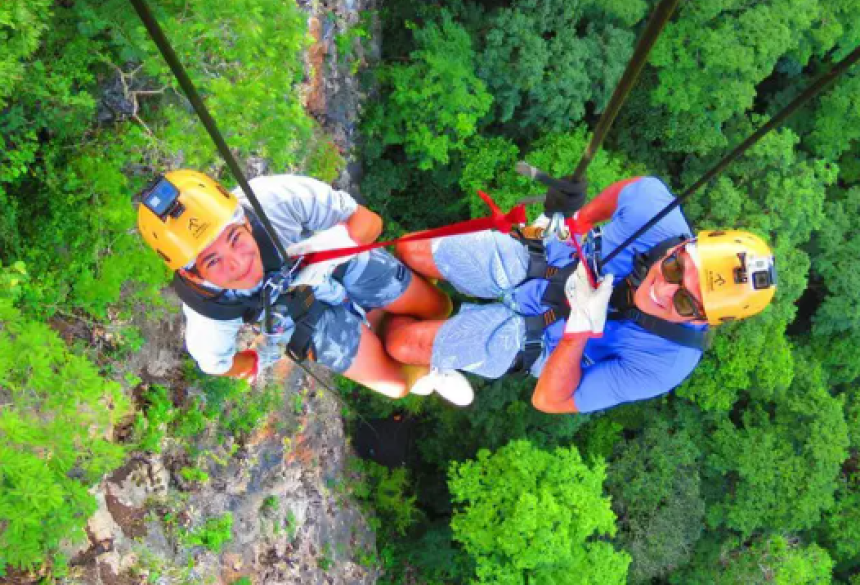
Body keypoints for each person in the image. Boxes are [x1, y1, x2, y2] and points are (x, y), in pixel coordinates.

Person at [386, 176, 777, 413]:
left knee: (402, 344)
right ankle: (436, 309)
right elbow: (633, 189)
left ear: (702, 321)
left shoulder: (665, 363)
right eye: (677, 267)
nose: (663, 287)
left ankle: (429, 366)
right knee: (409, 250)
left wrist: (578, 332)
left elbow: (549, 400)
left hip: (538, 340)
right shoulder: (656, 213)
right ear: (683, 244)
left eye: (686, 302)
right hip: (540, 258)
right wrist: (578, 218)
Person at [136, 170, 475, 405]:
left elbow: (369, 222)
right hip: (298, 312)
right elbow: (216, 363)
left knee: (438, 308)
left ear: (242, 219)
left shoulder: (271, 200)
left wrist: (328, 248)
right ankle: (428, 370)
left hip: (333, 259)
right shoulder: (209, 310)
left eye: (236, 238)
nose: (237, 263)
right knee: (396, 385)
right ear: (192, 275)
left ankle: (405, 335)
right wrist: (256, 361)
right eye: (212, 261)